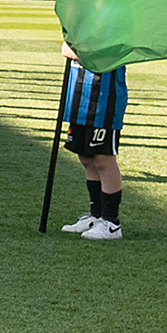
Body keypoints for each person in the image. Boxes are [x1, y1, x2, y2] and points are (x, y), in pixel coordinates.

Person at [57, 39, 127, 240]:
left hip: (105, 97)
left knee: (103, 158)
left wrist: (77, 53)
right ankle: (96, 216)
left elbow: (113, 52)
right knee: (86, 157)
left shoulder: (117, 18)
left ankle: (111, 222)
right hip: (81, 94)